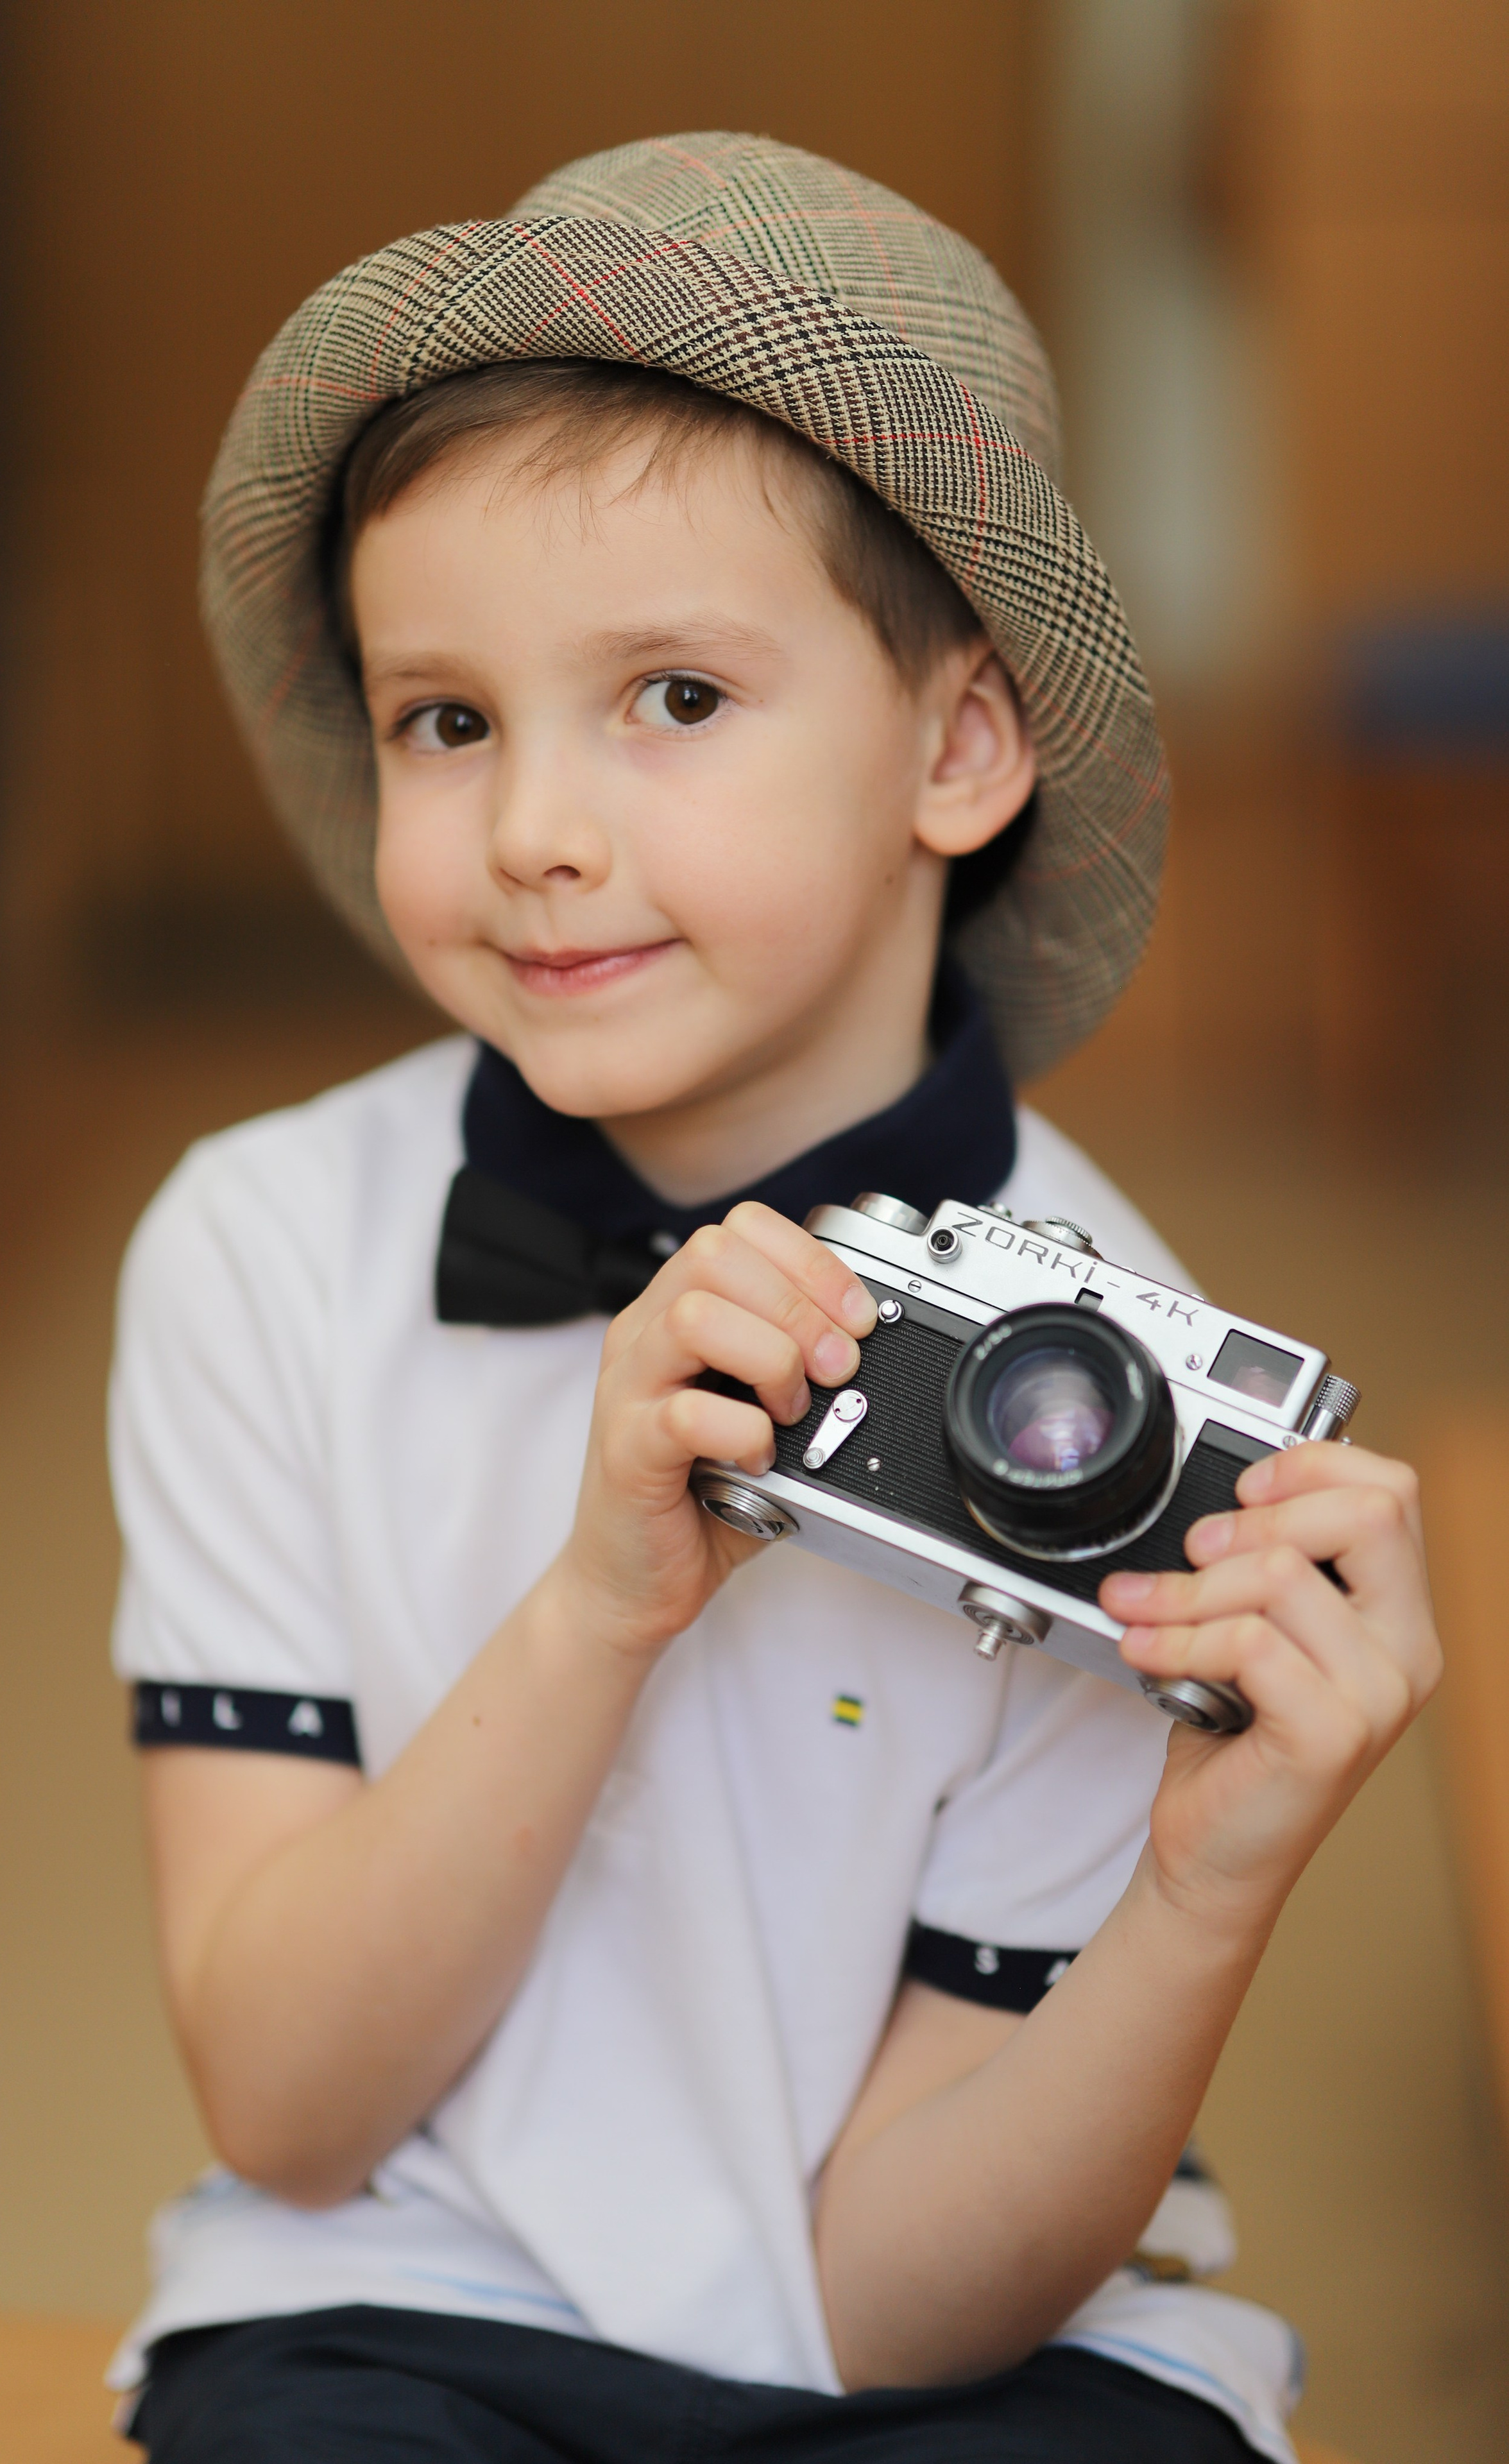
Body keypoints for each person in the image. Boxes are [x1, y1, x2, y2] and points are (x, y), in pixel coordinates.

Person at [108, 135, 1440, 2463]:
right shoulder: (258, 1247)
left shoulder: (1109, 1396)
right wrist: (595, 1611)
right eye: (446, 717)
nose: (535, 824)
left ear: (955, 746)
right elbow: (292, 2110)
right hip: (400, 2278)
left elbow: (891, 2303)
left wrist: (1202, 1897)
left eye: (675, 698)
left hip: (957, 2314)